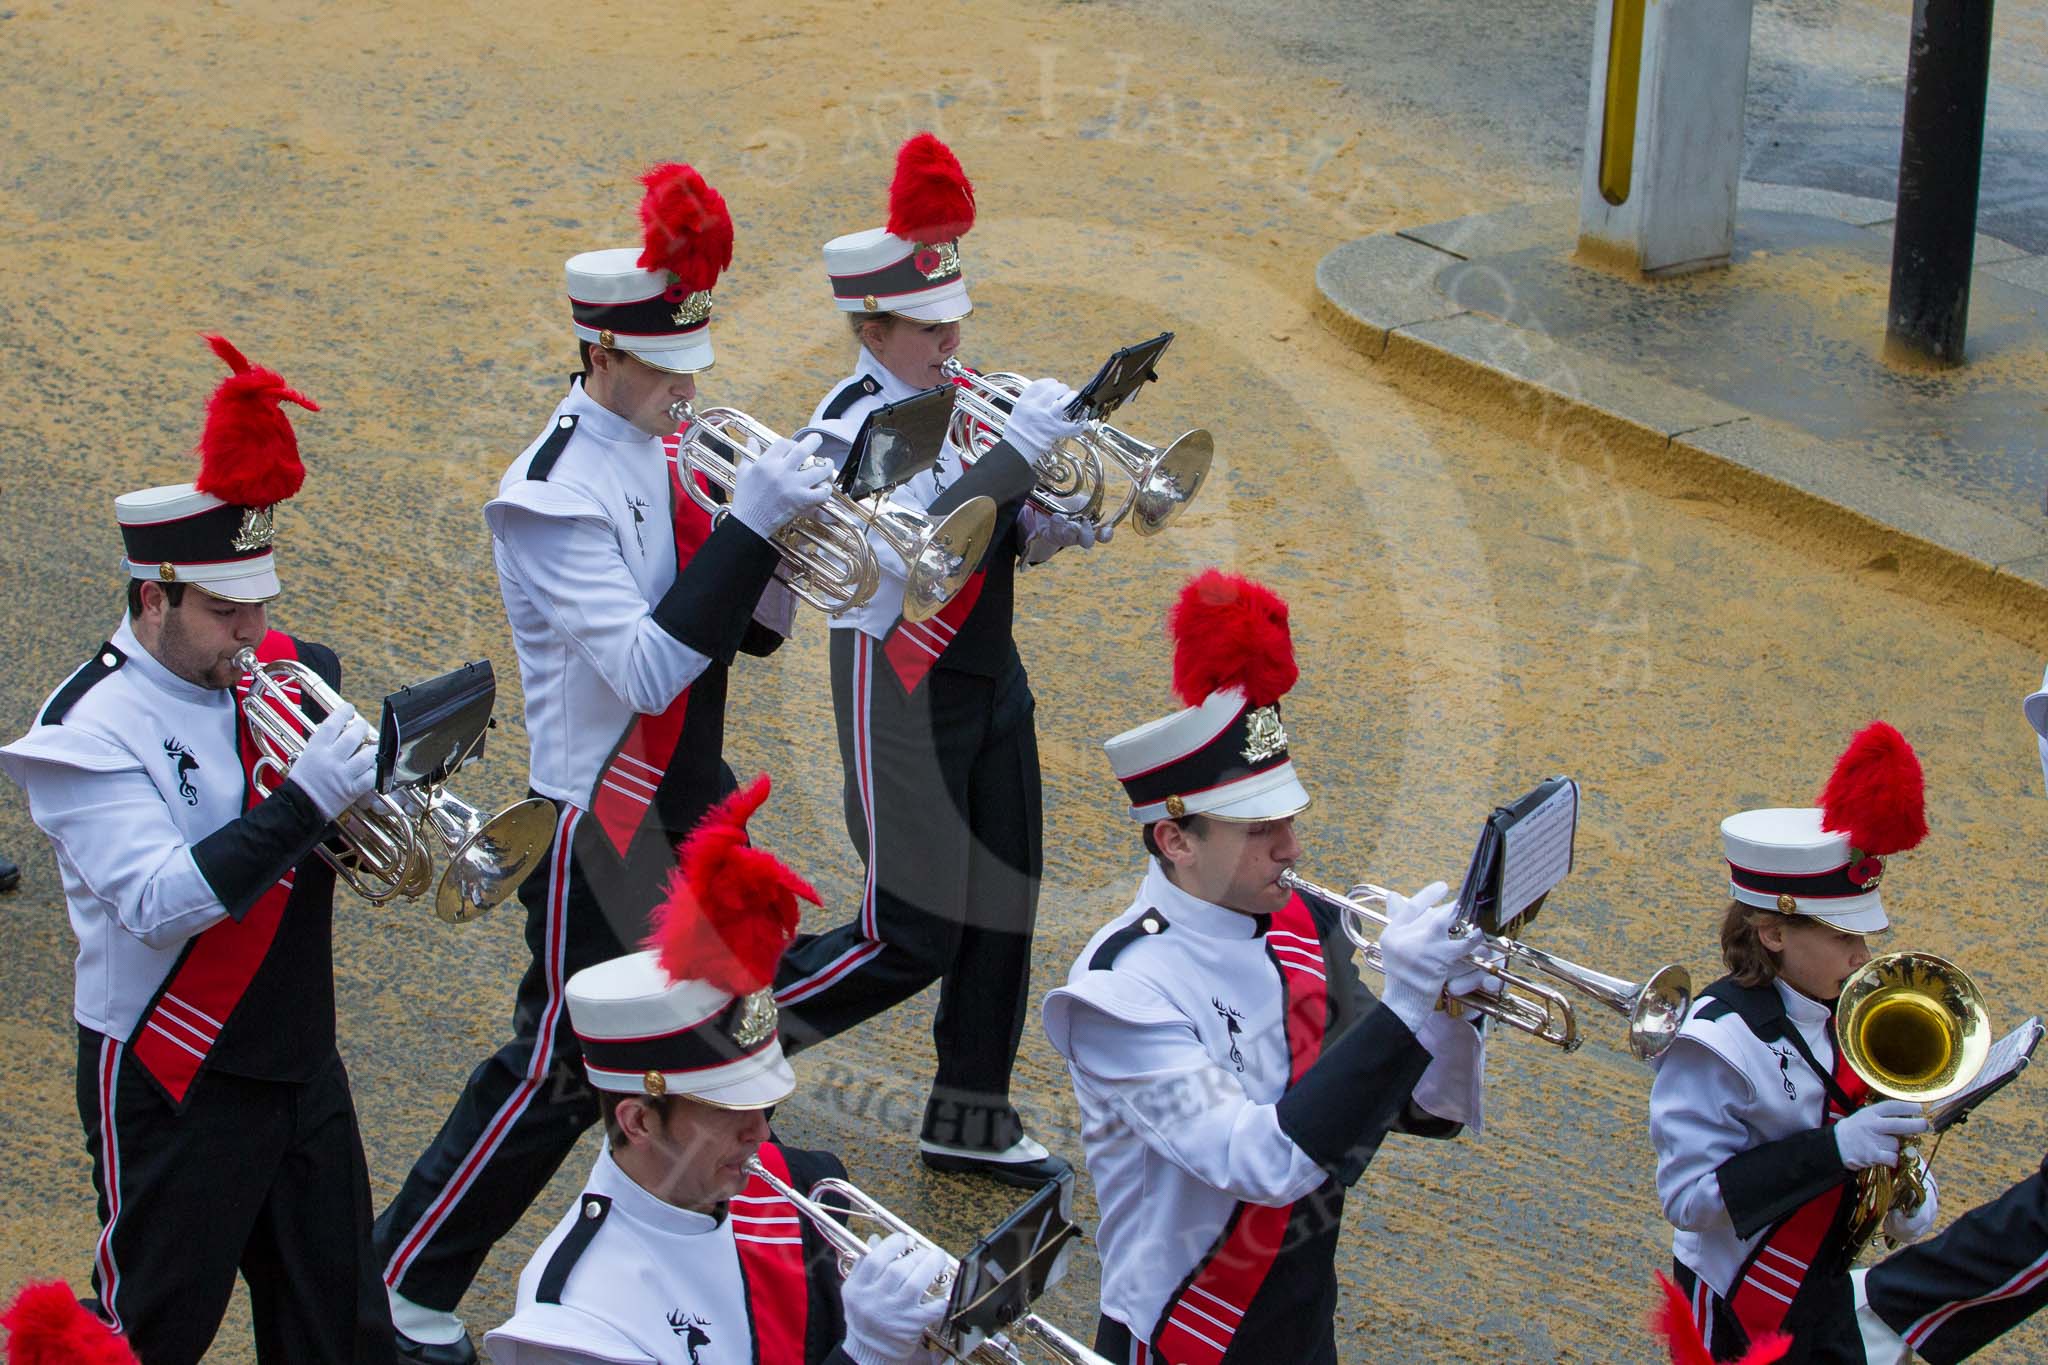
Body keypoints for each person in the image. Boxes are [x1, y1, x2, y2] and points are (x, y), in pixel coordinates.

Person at [374, 163, 835, 1363]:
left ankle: (676, 1244)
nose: (688, 386)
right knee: (559, 1067)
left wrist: (787, 537)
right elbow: (642, 672)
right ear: (599, 353)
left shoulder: (660, 443)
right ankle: (404, 1274)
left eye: (692, 361)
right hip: (603, 810)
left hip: (686, 797)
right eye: (663, 364)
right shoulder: (549, 492)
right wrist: (747, 524)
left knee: (691, 1041)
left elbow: (748, 631)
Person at [0, 337, 391, 1362]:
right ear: (152, 599)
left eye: (259, 604)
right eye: (224, 611)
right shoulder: (83, 732)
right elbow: (164, 902)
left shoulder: (276, 668)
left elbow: (320, 852)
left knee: (343, 1333)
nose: (253, 633)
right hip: (176, 1073)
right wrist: (308, 799)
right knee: (153, 1332)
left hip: (299, 1059)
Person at [1041, 571, 1491, 1364]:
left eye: (1288, 817)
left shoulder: (1303, 923)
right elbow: (1261, 1161)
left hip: (1300, 1311)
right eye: (1258, 828)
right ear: (1174, 840)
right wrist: (1405, 1001)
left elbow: (1423, 1107)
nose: (1291, 847)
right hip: (1188, 1331)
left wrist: (1450, 1009)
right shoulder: (1118, 990)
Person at [771, 131, 1104, 1188]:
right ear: (869, 326)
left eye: (953, 318)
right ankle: (712, 1054)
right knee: (911, 929)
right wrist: (1013, 464)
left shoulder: (967, 397)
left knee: (1004, 901)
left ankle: (967, 1116)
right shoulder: (846, 425)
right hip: (898, 685)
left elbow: (991, 538)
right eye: (923, 328)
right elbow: (893, 556)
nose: (946, 341)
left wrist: (1056, 512)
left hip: (987, 672)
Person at [485, 776, 950, 1365]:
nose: (761, 1133)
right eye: (730, 1110)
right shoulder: (578, 1319)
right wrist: (867, 1355)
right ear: (639, 1120)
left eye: (760, 1104)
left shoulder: (790, 1190)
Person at [1650, 722, 1943, 1365]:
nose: (1864, 956)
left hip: (1823, 1288)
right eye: (1844, 938)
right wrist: (1835, 1150)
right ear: (1774, 934)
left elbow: (1863, 1120)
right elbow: (1688, 1199)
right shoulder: (1717, 1042)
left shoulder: (1849, 1009)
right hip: (1739, 1299)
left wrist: (1904, 1183)